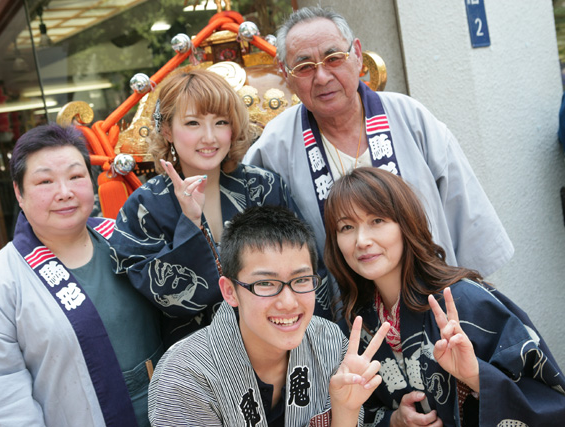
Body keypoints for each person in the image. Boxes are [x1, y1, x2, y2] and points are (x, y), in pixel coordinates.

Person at [244, 6, 513, 281]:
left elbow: (465, 213)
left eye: (334, 58)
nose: (322, 77)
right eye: (304, 67)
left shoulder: (410, 117)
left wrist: (467, 296)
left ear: (357, 55)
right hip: (339, 304)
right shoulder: (274, 146)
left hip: (432, 294)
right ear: (285, 73)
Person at [322, 167, 565, 426]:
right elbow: (353, 413)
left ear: (406, 224)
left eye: (377, 221)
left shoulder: (466, 301)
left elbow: (547, 399)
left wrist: (475, 376)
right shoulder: (352, 328)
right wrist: (394, 420)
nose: (361, 240)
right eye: (346, 227)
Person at [109, 69, 330, 347]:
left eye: (221, 122)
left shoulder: (263, 186)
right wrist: (190, 222)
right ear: (167, 130)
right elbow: (159, 297)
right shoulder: (145, 206)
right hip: (197, 358)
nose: (209, 137)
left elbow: (307, 270)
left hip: (282, 342)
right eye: (193, 123)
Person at [0, 124, 163, 426]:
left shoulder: (126, 240)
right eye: (45, 181)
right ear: (19, 192)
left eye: (76, 176)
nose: (65, 193)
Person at [148, 205, 390, 426]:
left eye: (302, 280)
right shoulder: (185, 376)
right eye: (265, 283)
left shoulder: (330, 343)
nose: (288, 302)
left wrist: (346, 410)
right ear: (230, 291)